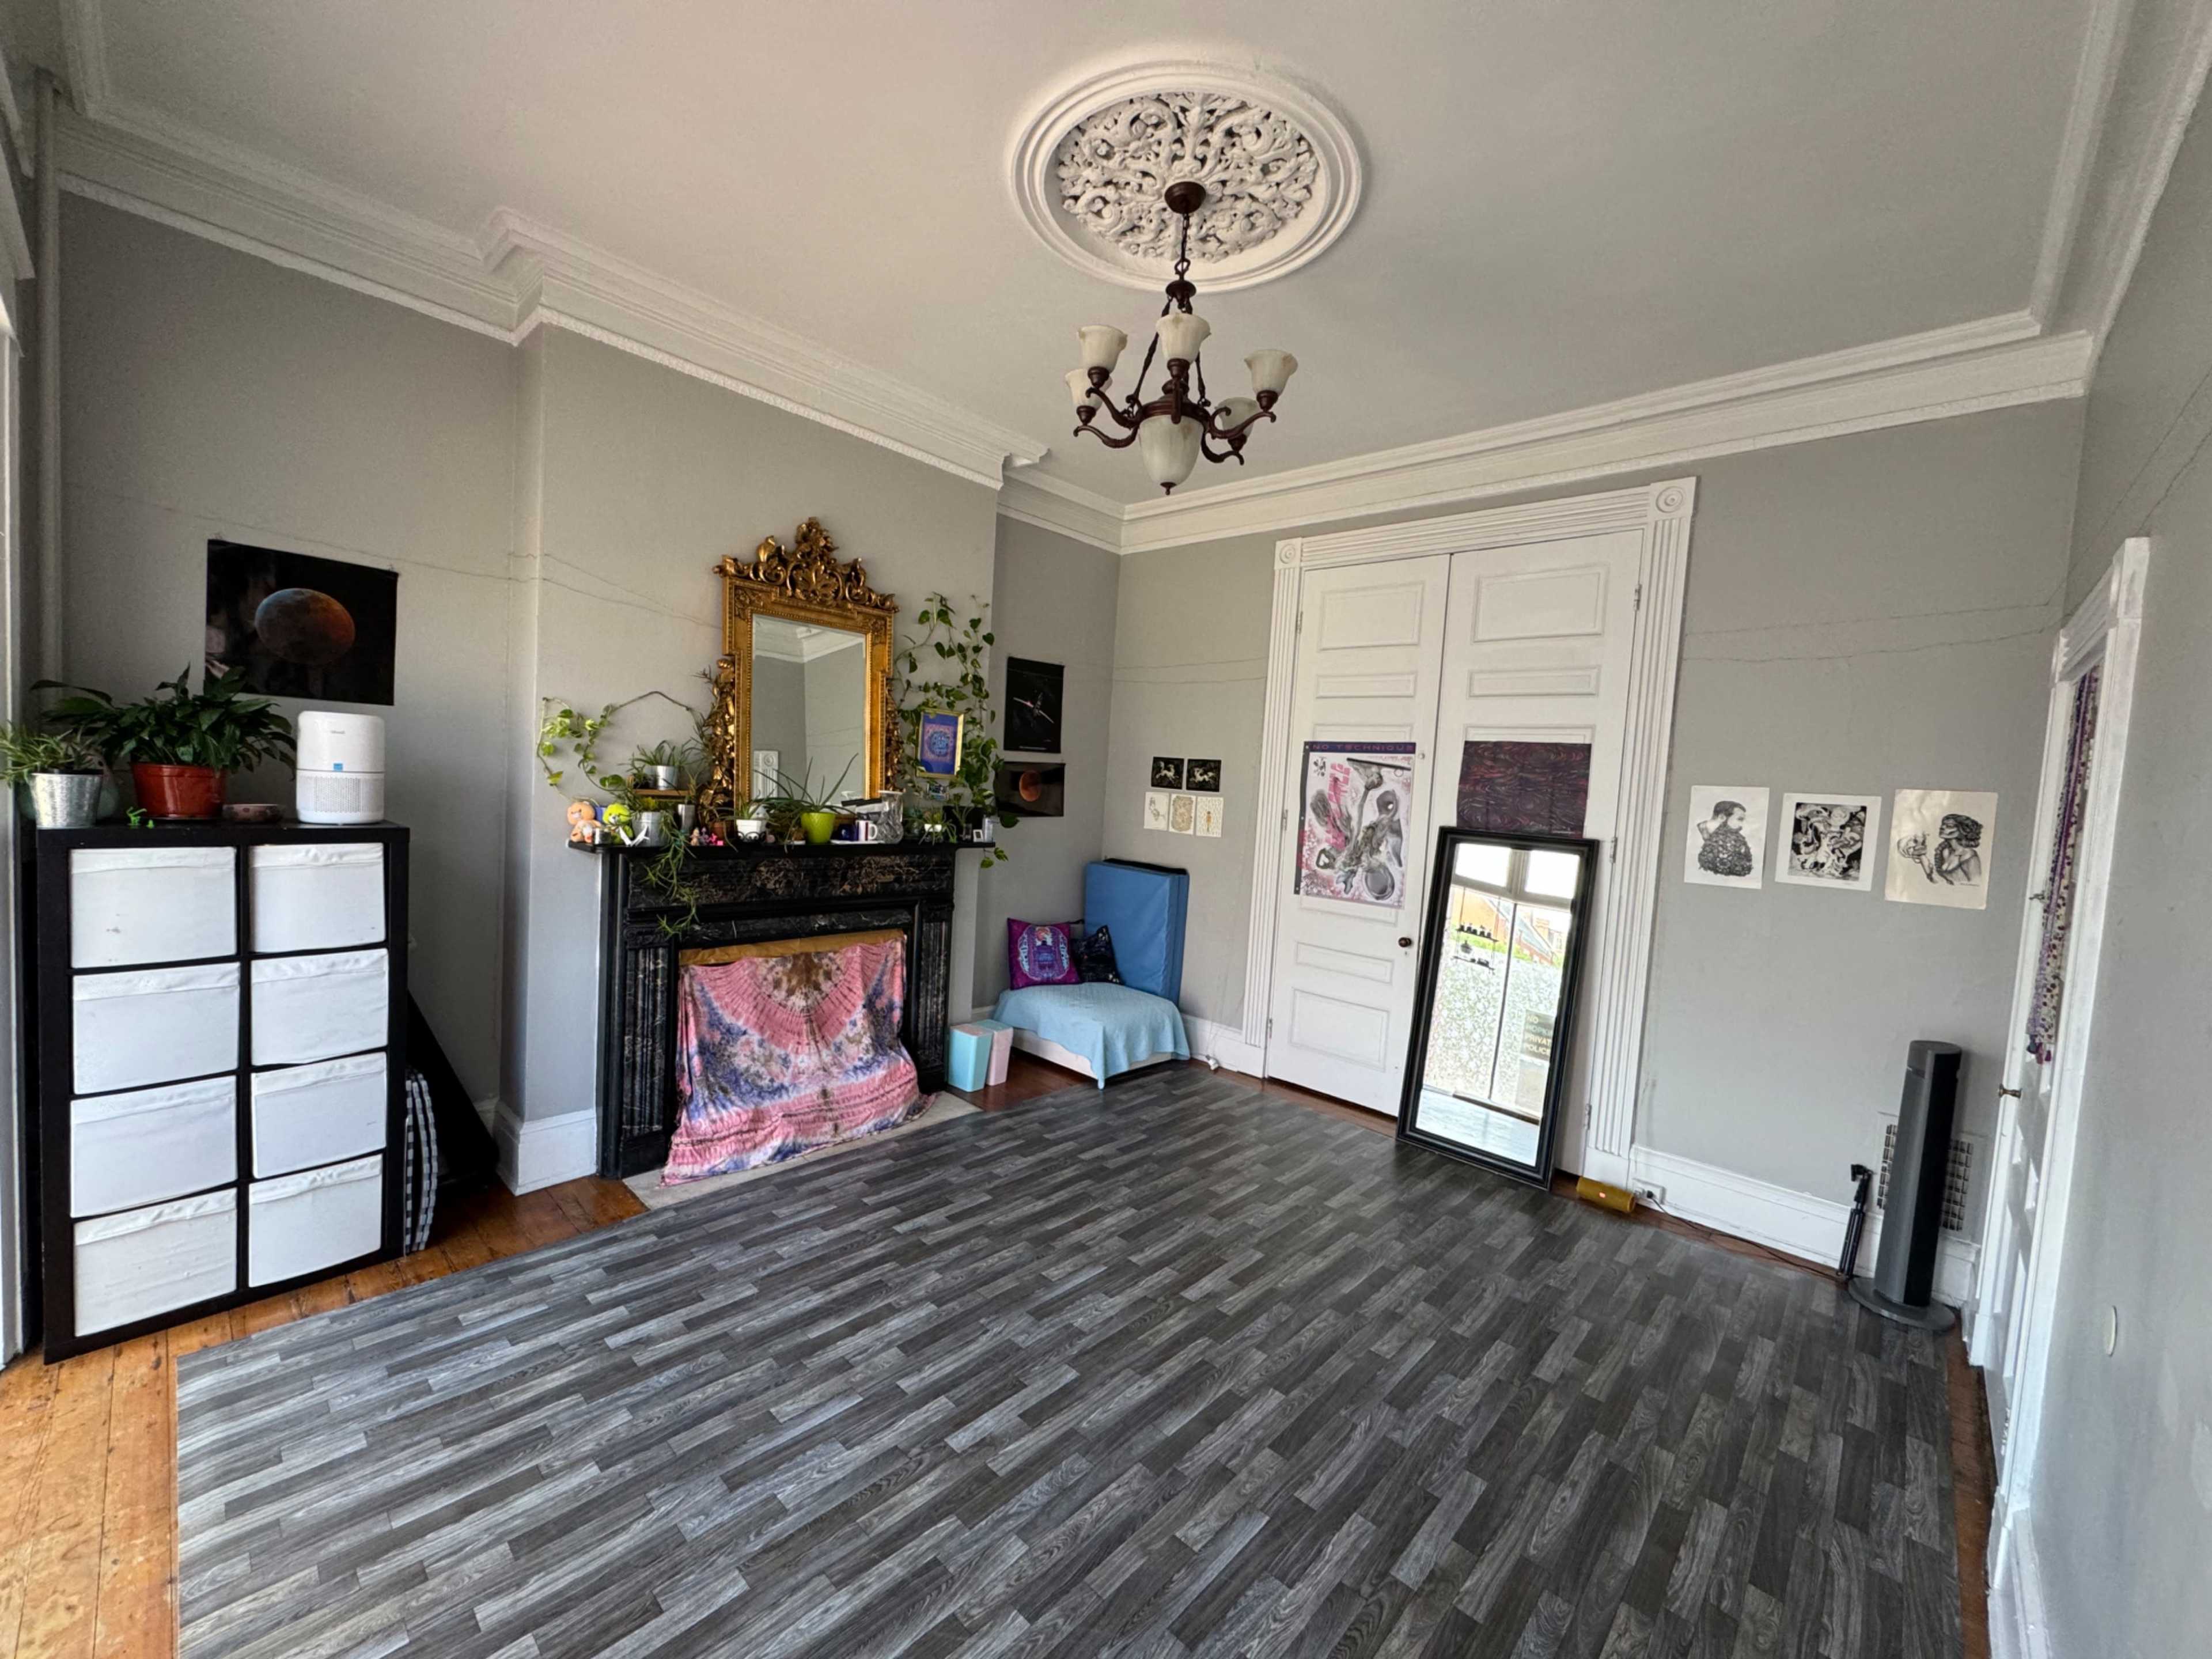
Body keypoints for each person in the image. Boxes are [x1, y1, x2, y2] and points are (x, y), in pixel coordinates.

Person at [1695, 798, 1755, 878]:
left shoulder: (1731, 836)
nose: (1742, 826)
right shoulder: (1694, 835)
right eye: (1740, 819)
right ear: (1722, 817)